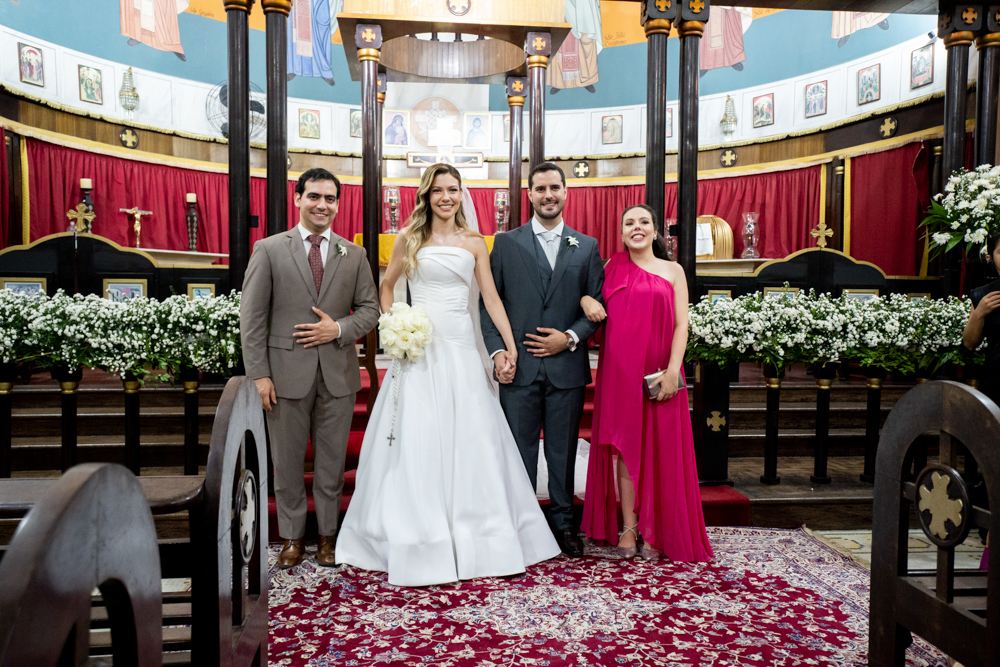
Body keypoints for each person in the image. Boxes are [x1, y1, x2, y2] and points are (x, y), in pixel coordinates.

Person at [336, 163, 560, 587]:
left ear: (461, 194)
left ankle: (482, 537)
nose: (445, 197)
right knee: (417, 439)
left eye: (452, 190)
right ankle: (417, 535)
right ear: (426, 195)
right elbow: (387, 287)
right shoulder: (409, 237)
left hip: (459, 347)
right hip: (418, 349)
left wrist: (509, 346)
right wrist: (395, 323)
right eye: (437, 190)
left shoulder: (475, 241)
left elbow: (491, 299)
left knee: (471, 437)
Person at [240, 167, 380, 570]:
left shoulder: (353, 255)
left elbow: (370, 310)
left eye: (330, 198)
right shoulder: (268, 249)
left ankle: (328, 537)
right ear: (298, 199)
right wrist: (259, 374)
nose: (323, 205)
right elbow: (252, 319)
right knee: (285, 462)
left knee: (332, 463)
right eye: (315, 196)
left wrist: (337, 328)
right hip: (283, 375)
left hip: (337, 374)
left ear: (338, 204)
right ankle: (292, 537)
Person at [480, 162, 605, 558]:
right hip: (519, 368)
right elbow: (489, 305)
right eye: (540, 189)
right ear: (529, 195)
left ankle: (565, 523)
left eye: (555, 187)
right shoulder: (506, 243)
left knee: (562, 450)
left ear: (566, 192)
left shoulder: (586, 246)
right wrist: (498, 352)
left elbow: (597, 306)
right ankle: (520, 522)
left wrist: (568, 338)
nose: (548, 195)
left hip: (566, 367)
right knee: (519, 450)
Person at [580, 204, 713, 562]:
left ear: (655, 231)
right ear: (621, 232)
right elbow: (587, 300)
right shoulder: (610, 267)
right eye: (629, 223)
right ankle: (629, 527)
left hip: (659, 373)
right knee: (624, 449)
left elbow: (682, 325)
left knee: (661, 449)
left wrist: (673, 370)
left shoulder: (673, 271)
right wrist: (586, 298)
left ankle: (658, 527)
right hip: (619, 373)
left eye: (644, 222)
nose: (636, 228)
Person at [963, 233, 1000, 572]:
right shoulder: (986, 296)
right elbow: (970, 343)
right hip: (997, 383)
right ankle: (988, 532)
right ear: (991, 256)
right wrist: (980, 314)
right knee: (993, 460)